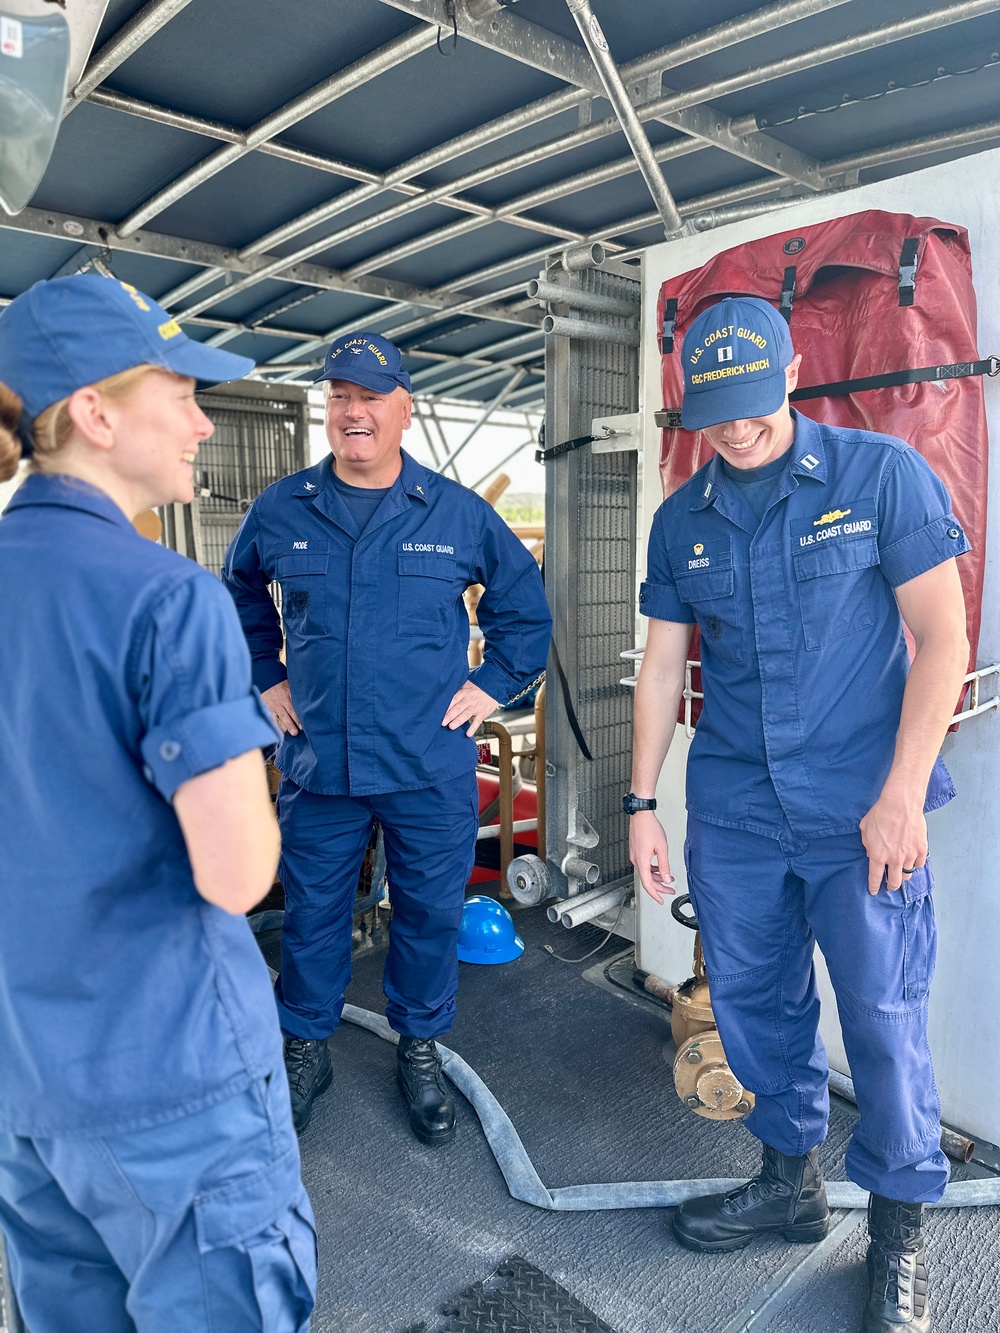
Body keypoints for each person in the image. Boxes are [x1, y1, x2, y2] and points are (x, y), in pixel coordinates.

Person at [627, 296, 969, 1333]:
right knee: (752, 1004)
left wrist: (902, 794)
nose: (734, 430)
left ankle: (900, 1235)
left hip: (859, 808)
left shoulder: (878, 475)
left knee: (880, 1016)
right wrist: (640, 802)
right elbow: (659, 669)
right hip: (734, 809)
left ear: (792, 370)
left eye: (751, 404)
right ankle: (788, 1181)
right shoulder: (682, 516)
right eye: (713, 412)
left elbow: (942, 640)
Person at [0, 274, 316, 1333]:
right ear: (93, 412)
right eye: (177, 392)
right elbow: (237, 873)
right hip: (171, 1080)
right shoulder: (166, 594)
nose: (201, 420)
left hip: (29, 1083)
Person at [222, 331, 551, 1140]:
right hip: (319, 758)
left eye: (370, 398)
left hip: (424, 761)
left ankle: (421, 1046)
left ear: (404, 409)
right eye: (339, 397)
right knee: (313, 912)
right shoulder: (282, 508)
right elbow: (239, 596)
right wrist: (266, 677)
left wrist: (492, 684)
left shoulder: (456, 513)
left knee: (431, 912)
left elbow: (525, 609)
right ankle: (307, 1044)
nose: (353, 412)